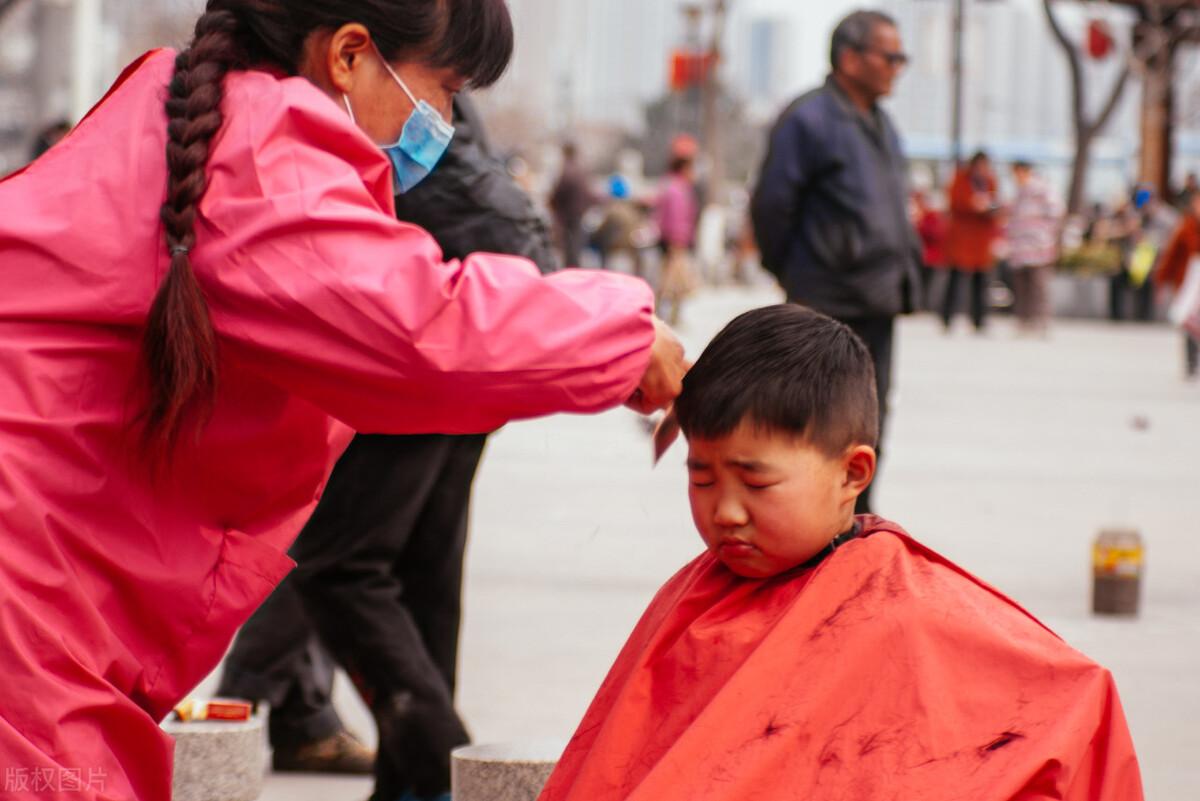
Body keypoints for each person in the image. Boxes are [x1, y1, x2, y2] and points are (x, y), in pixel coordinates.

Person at [0, 2, 690, 799]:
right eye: (445, 87)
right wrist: (622, 335)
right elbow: (416, 328)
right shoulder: (262, 149)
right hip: (26, 590)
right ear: (351, 55)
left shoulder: (200, 111)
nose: (445, 120)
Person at [537, 304, 1143, 801]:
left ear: (854, 472)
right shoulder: (693, 600)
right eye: (701, 478)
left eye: (756, 482)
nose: (724, 509)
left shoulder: (906, 608)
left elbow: (1076, 707)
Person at [216, 91, 561, 786]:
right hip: (472, 335)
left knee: (340, 563)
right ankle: (414, 780)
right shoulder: (419, 88)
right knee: (422, 568)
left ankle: (444, 768)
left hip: (431, 340)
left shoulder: (396, 83)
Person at [751, 8, 922, 514]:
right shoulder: (808, 118)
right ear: (850, 58)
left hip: (879, 299)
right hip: (826, 301)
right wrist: (797, 273)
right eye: (890, 56)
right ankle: (811, 534)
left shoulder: (882, 123)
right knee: (816, 426)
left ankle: (855, 529)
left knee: (868, 426)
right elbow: (772, 207)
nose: (897, 67)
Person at [942, 150, 999, 332]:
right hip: (962, 236)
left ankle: (979, 319)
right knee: (956, 278)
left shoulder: (990, 181)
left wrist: (989, 208)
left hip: (981, 239)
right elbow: (954, 202)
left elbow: (995, 205)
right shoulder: (960, 179)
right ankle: (947, 316)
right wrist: (973, 204)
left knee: (981, 282)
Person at [1006, 160, 1064, 335]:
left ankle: (1042, 321)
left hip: (1038, 246)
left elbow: (1057, 211)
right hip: (1020, 247)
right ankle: (1025, 321)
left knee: (1039, 286)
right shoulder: (1019, 192)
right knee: (1022, 286)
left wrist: (1045, 232)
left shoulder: (1041, 189)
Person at [652, 134, 700, 325]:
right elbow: (676, 218)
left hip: (670, 239)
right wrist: (678, 241)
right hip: (675, 241)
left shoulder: (669, 184)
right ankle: (665, 316)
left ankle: (667, 315)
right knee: (672, 283)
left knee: (670, 280)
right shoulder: (678, 189)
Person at [1154, 188, 1200, 379]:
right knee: (1187, 320)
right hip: (1190, 282)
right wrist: (1162, 282)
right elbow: (1172, 257)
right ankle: (1191, 362)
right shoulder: (1185, 227)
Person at [549, 141, 597, 268]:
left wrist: (552, 202)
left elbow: (559, 191)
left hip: (569, 214)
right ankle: (574, 268)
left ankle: (571, 269)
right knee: (575, 245)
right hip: (579, 212)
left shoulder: (568, 169)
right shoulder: (582, 169)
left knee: (570, 247)